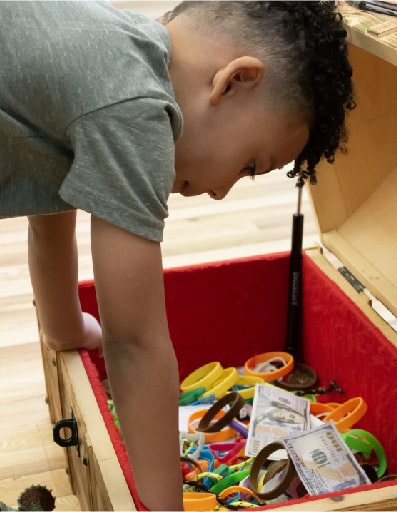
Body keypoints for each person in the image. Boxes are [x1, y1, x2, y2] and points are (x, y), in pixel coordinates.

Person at [0, 1, 354, 509]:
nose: (223, 192)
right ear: (234, 81)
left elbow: (50, 199)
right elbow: (134, 342)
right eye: (251, 164)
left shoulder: (112, 53)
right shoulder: (135, 106)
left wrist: (65, 328)